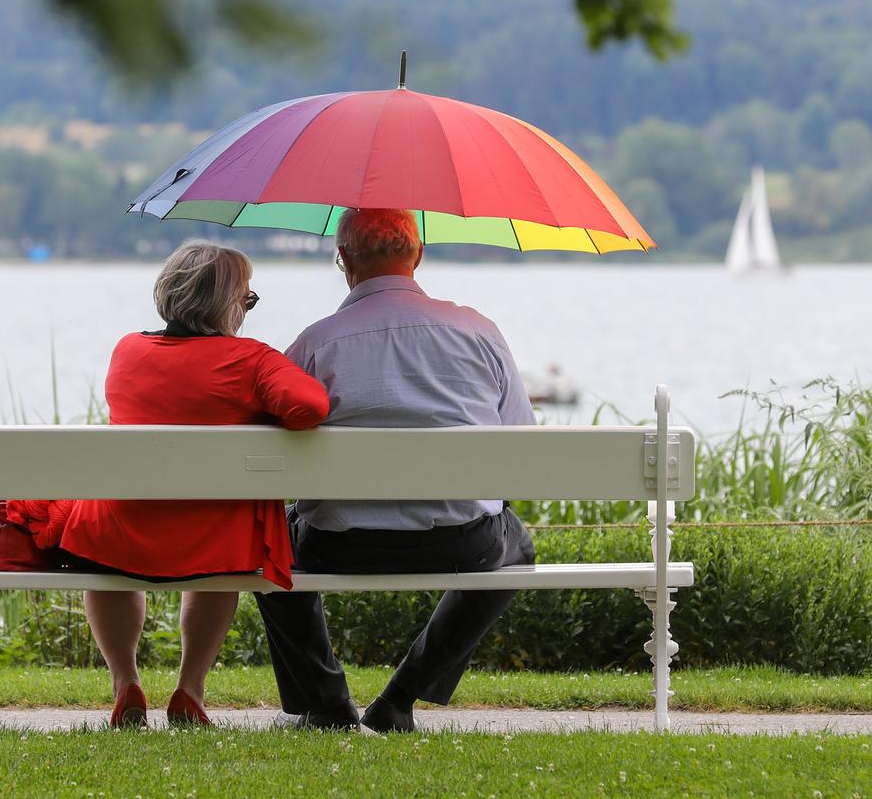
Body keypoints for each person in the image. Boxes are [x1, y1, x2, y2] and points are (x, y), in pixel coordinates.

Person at [255, 208, 537, 733]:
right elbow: (520, 441)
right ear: (418, 255)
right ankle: (401, 698)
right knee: (516, 546)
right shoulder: (479, 332)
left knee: (268, 546)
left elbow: (267, 446)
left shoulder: (317, 342)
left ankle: (326, 704)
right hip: (461, 540)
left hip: (337, 543)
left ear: (344, 260)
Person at [54, 240, 329, 728]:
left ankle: (125, 683)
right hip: (210, 540)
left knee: (107, 535)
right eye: (247, 299)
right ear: (228, 304)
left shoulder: (128, 351)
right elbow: (309, 408)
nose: (246, 310)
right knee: (219, 536)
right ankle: (190, 688)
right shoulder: (251, 361)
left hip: (120, 533)